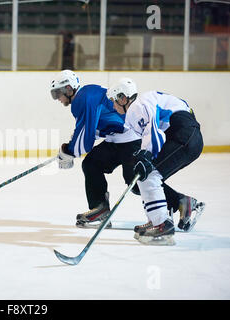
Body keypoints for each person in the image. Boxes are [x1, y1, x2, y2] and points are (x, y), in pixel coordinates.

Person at [107, 78, 205, 245]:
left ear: (123, 98)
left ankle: (162, 226)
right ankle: (158, 219)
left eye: (114, 101)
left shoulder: (137, 106)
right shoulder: (143, 104)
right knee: (146, 175)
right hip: (188, 135)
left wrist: (146, 154)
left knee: (149, 174)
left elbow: (153, 131)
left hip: (185, 135)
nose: (113, 105)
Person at [50, 70, 141, 227]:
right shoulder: (86, 95)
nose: (57, 98)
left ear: (69, 89)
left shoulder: (82, 98)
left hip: (131, 138)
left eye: (58, 93)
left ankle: (181, 202)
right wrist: (70, 148)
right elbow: (93, 130)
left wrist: (69, 151)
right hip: (117, 139)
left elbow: (85, 140)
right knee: (91, 163)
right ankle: (100, 210)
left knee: (137, 182)